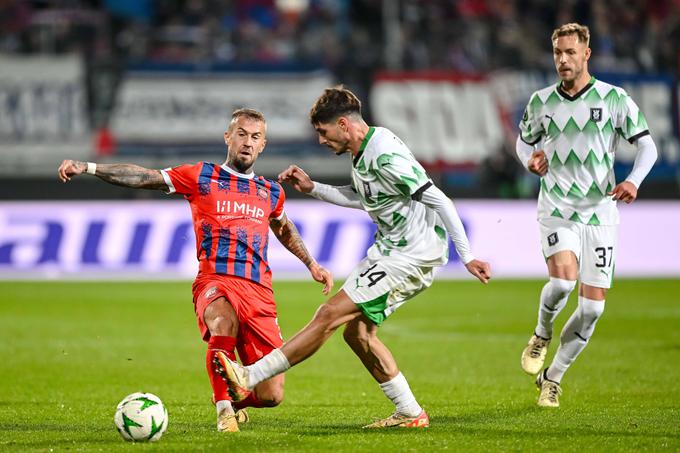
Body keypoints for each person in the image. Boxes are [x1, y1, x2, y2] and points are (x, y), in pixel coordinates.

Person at [213, 86, 491, 428]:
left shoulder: (385, 153)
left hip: (410, 255)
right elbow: (362, 197)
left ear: (343, 125)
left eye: (323, 132)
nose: (321, 140)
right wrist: (313, 187)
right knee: (357, 333)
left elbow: (440, 201)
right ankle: (410, 413)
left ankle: (249, 375)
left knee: (329, 314)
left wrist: (467, 256)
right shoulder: (363, 153)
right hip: (390, 250)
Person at [57, 108, 333, 432]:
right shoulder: (202, 175)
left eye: (255, 137)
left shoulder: (270, 191)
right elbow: (145, 177)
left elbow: (284, 228)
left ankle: (235, 397)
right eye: (241, 134)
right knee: (222, 321)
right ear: (228, 137)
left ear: (263, 145)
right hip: (215, 279)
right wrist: (88, 167)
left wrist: (311, 263)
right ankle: (224, 411)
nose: (247, 142)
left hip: (259, 290)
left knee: (272, 395)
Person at [516, 23, 657, 407]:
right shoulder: (541, 101)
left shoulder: (614, 99)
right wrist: (529, 160)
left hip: (600, 212)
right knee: (562, 284)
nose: (563, 59)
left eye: (570, 53)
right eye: (558, 53)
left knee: (592, 309)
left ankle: (552, 378)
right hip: (557, 205)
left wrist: (635, 181)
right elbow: (523, 140)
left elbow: (647, 147)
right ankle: (542, 334)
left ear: (586, 54)